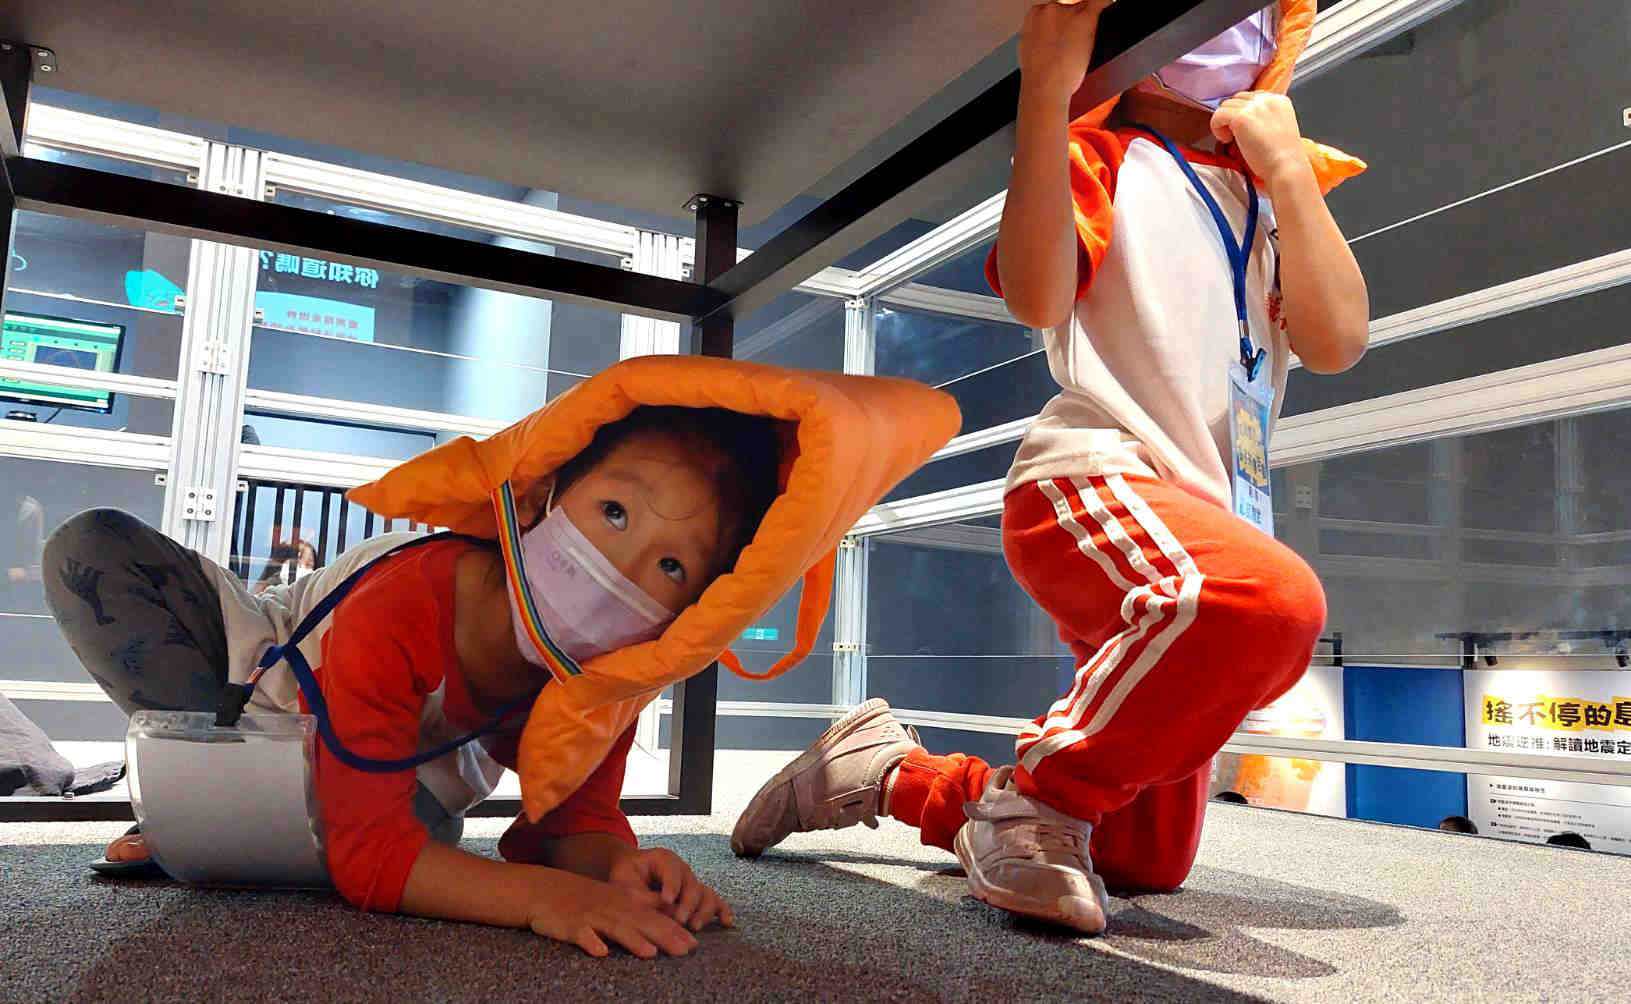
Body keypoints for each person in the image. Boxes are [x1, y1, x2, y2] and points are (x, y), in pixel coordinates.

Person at [731, 0, 1368, 936]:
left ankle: (885, 772)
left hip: (1199, 525)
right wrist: (1047, 90)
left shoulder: (1273, 194)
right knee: (1267, 604)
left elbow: (1337, 340)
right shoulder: (1101, 155)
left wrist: (1286, 172)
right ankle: (1032, 806)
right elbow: (1035, 297)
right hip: (1091, 479)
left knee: (1140, 860)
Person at [45, 405, 779, 958]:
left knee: (406, 841)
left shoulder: (614, 674)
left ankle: (235, 827)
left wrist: (621, 868)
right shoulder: (406, 599)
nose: (620, 569)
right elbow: (374, 862)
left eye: (672, 566)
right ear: (540, 499)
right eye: (612, 512)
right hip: (259, 673)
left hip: (407, 779)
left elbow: (567, 826)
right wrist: (540, 899)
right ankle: (211, 803)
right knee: (91, 549)